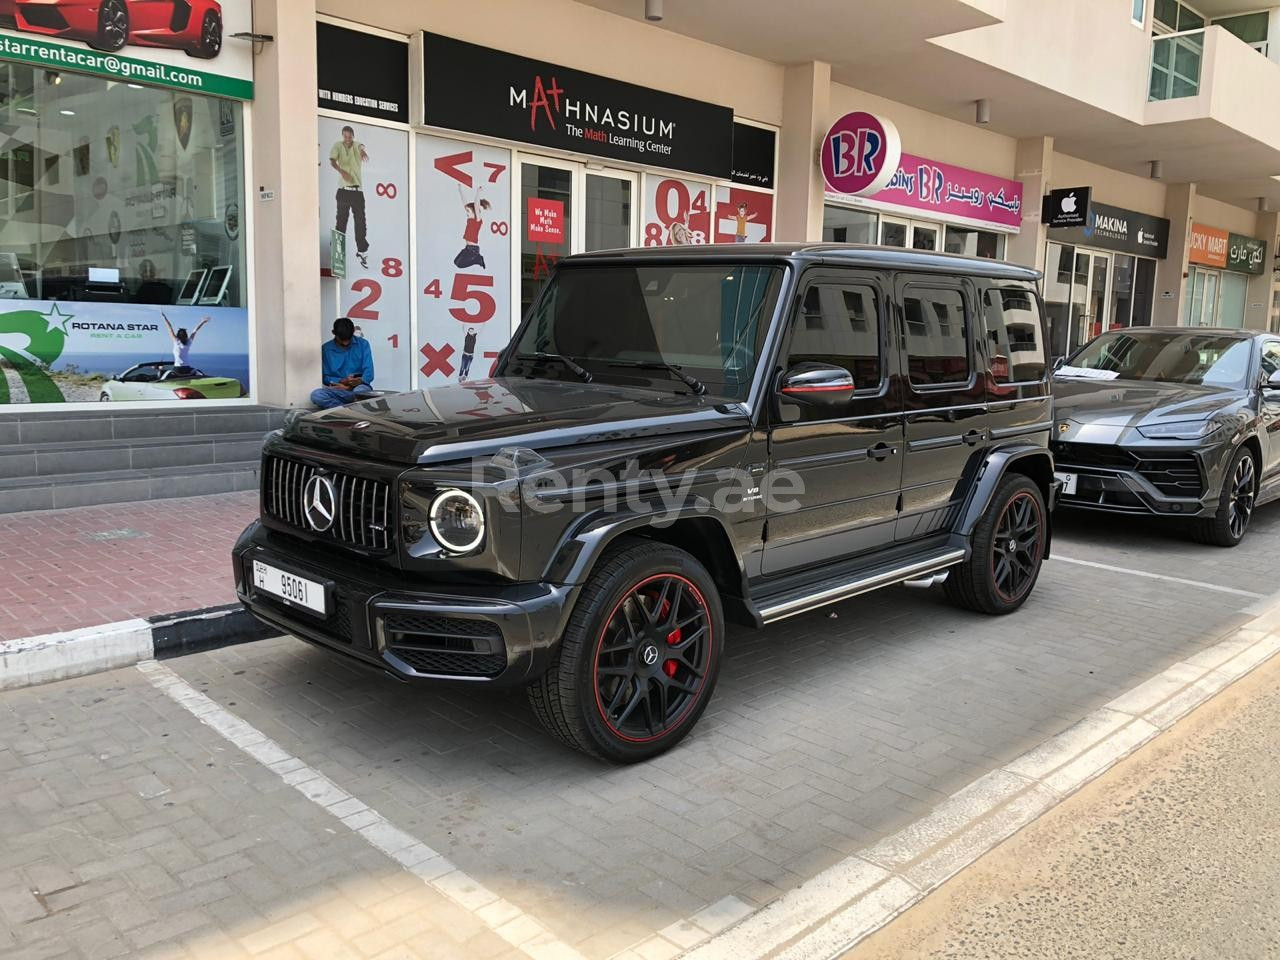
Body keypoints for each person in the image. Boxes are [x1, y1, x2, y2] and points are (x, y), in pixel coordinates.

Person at [311, 317, 375, 409]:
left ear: (353, 331)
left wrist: (359, 381)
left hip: (359, 388)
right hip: (339, 389)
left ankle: (343, 410)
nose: (345, 343)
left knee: (360, 392)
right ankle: (347, 411)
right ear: (333, 333)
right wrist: (342, 381)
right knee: (317, 395)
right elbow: (325, 377)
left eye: (348, 340)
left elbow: (369, 373)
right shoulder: (326, 349)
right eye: (342, 340)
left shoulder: (363, 344)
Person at [330, 125, 370, 269]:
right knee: (341, 221)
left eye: (350, 137)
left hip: (357, 191)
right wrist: (342, 172)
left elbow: (361, 146)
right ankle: (337, 252)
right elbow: (333, 161)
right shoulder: (338, 146)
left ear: (353, 136)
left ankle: (362, 251)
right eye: (345, 137)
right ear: (343, 136)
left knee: (360, 223)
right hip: (343, 191)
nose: (347, 139)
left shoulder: (356, 145)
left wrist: (362, 151)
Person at [454, 185, 491, 269]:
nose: (466, 213)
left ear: (474, 211)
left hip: (473, 250)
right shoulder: (470, 220)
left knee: (459, 264)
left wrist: (478, 192)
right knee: (456, 262)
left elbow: (476, 205)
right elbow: (465, 203)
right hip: (467, 248)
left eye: (468, 211)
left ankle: (478, 258)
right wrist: (460, 191)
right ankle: (477, 259)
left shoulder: (477, 221)